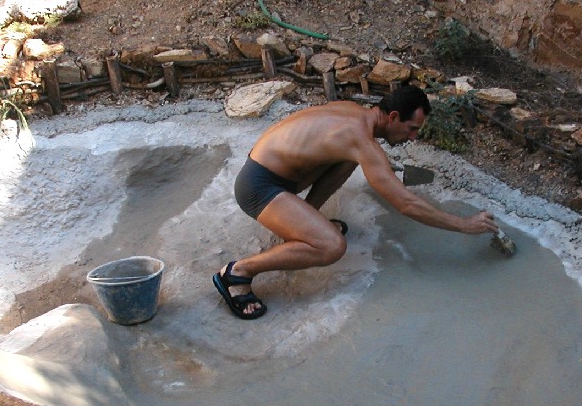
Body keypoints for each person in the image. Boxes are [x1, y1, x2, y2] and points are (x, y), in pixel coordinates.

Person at [212, 85, 499, 319]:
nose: (412, 137)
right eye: (411, 128)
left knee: (347, 161)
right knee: (331, 246)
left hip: (275, 173)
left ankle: (304, 220)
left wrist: (379, 162)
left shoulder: (356, 113)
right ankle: (237, 273)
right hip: (258, 187)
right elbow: (406, 204)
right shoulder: (361, 140)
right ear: (394, 116)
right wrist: (463, 224)